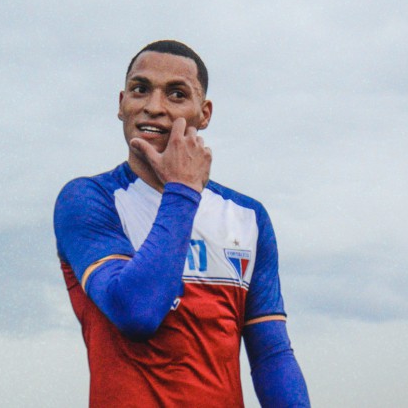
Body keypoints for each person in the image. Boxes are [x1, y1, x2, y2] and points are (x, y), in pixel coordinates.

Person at [54, 40, 310, 407]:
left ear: (203, 114)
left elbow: (271, 354)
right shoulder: (88, 199)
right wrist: (184, 190)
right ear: (121, 104)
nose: (154, 107)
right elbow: (136, 313)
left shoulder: (247, 217)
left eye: (176, 94)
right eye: (141, 90)